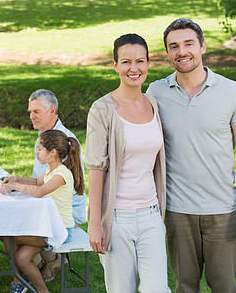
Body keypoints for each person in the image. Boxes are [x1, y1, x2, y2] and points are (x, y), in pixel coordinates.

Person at [146, 18, 236, 292]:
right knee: (185, 286)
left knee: (224, 286)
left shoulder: (233, 91)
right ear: (167, 53)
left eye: (188, 44)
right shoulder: (155, 93)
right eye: (174, 46)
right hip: (176, 210)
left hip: (221, 210)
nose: (181, 51)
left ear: (202, 47)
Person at [85, 33, 170, 293]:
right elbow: (97, 169)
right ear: (115, 65)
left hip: (151, 215)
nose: (134, 68)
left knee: (157, 289)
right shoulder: (102, 109)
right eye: (126, 62)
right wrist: (95, 223)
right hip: (117, 217)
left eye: (140, 61)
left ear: (148, 63)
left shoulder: (153, 103)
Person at [0, 129, 84, 293]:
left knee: (9, 237)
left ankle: (18, 282)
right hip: (46, 226)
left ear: (52, 152)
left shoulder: (61, 174)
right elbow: (37, 182)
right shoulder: (51, 170)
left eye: (39, 148)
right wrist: (16, 179)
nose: (36, 152)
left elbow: (39, 192)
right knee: (21, 257)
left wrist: (14, 187)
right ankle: (38, 289)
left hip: (59, 229)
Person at [28, 89, 87, 281]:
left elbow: (60, 189)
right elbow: (40, 180)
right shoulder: (42, 137)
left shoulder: (64, 142)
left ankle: (51, 259)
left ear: (52, 110)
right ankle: (35, 261)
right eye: (30, 112)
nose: (31, 116)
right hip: (46, 204)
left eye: (36, 111)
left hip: (66, 213)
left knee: (17, 225)